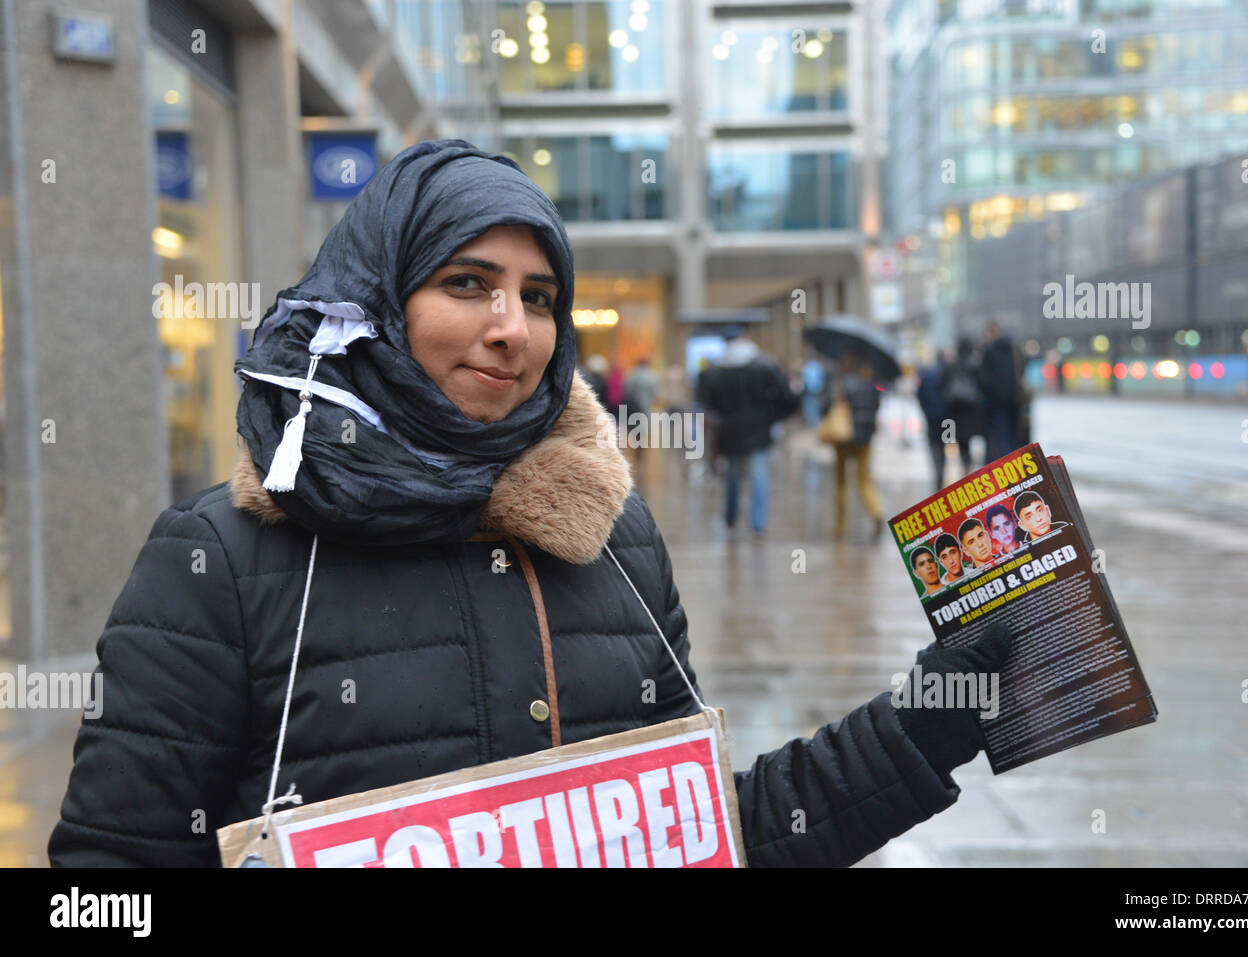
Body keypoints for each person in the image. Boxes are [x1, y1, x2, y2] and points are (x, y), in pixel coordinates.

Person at [47, 139, 1012, 868]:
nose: (512, 330)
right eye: (468, 284)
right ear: (374, 303)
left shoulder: (612, 537)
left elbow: (703, 831)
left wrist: (927, 719)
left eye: (540, 296)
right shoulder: (218, 558)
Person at [696, 327, 798, 539]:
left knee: (732, 476)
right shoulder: (764, 365)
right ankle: (757, 524)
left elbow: (707, 402)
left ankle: (731, 518)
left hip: (729, 431)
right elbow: (785, 397)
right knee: (759, 477)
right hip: (758, 429)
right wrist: (772, 417)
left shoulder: (716, 370)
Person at [825, 353, 885, 541]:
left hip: (844, 437)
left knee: (841, 482)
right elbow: (876, 408)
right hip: (865, 438)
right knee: (864, 480)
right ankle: (877, 512)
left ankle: (840, 526)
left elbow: (829, 406)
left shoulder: (842, 384)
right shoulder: (873, 385)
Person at [978, 322, 1027, 461]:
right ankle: (1015, 461)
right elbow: (1022, 367)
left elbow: (984, 377)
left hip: (996, 401)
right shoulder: (1014, 348)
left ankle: (1006, 463)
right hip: (1015, 398)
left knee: (1001, 435)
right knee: (1013, 434)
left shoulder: (989, 350)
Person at [940, 338, 983, 473]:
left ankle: (965, 466)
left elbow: (944, 386)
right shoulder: (975, 366)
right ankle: (968, 467)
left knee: (961, 442)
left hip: (956, 410)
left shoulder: (952, 366)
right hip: (971, 410)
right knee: (970, 440)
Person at [916, 348, 951, 491]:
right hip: (947, 419)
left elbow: (920, 395)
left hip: (931, 417)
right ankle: (941, 471)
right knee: (945, 445)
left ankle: (937, 472)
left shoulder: (927, 374)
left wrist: (926, 411)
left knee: (934, 445)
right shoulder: (948, 373)